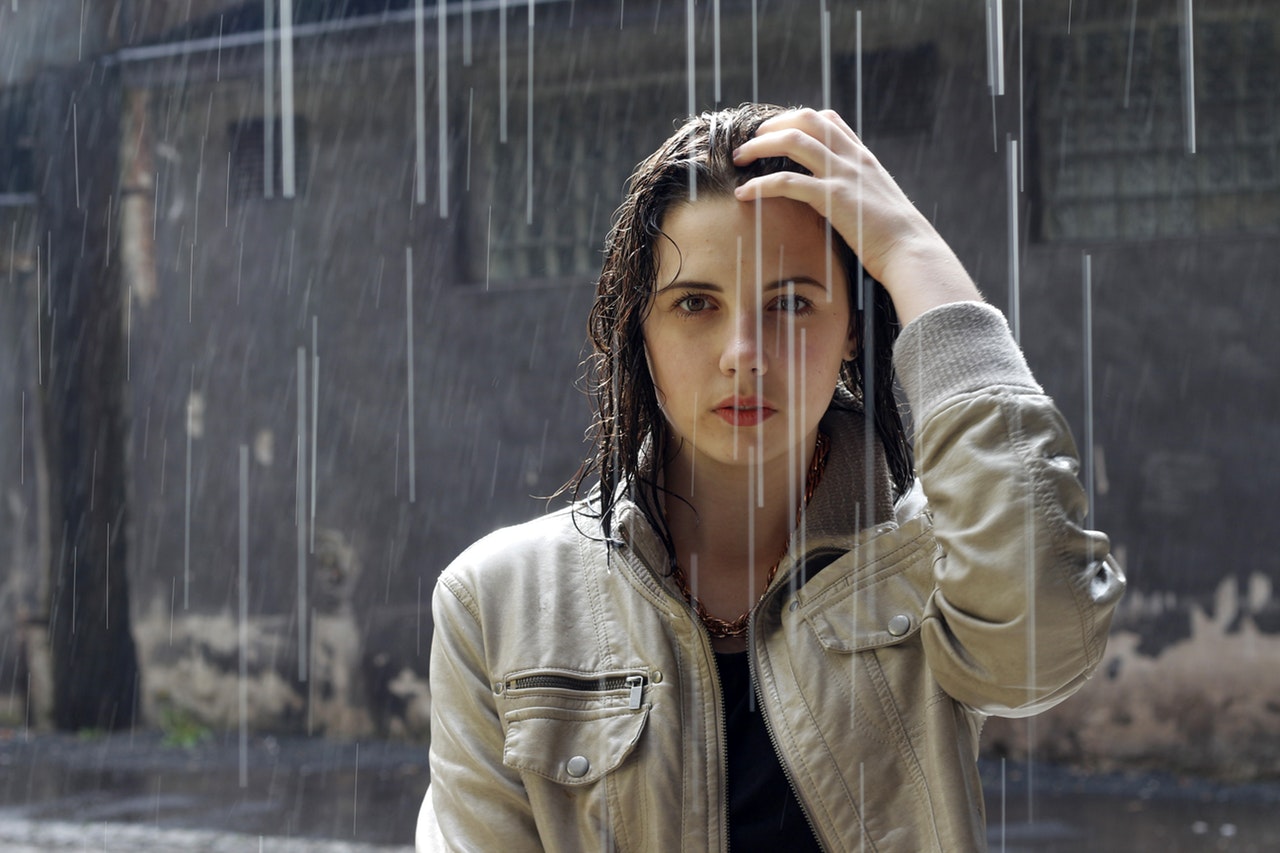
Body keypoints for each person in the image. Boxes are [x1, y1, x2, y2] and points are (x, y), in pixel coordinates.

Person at [416, 103, 1125, 851]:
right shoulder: (495, 600)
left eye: (790, 302)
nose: (743, 353)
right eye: (695, 303)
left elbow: (1046, 649)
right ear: (640, 332)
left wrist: (911, 251)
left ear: (852, 328)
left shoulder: (930, 558)